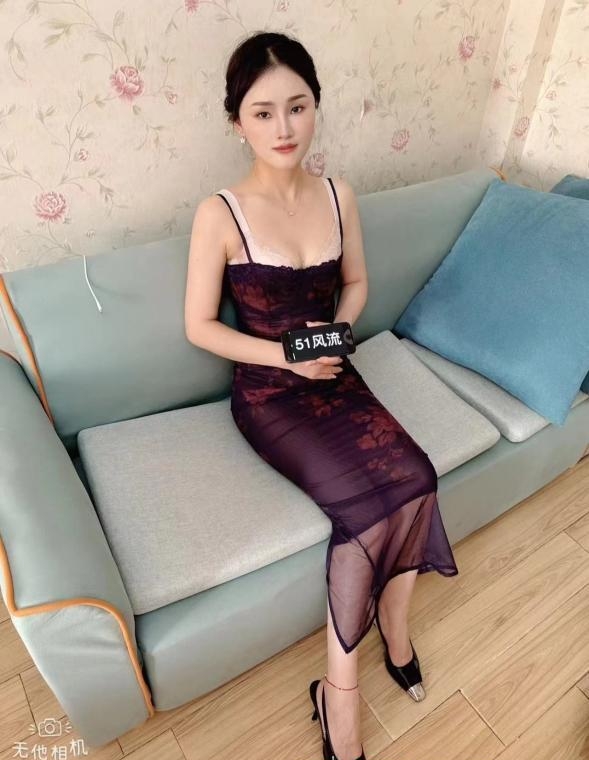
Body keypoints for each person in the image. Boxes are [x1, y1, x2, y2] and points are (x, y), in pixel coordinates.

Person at [184, 30, 459, 760]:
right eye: (263, 112)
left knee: (418, 478)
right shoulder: (220, 213)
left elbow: (357, 283)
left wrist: (333, 334)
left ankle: (394, 627)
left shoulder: (339, 194)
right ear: (237, 123)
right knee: (366, 511)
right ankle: (338, 694)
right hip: (268, 397)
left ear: (315, 108)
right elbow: (199, 326)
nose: (284, 127)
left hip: (334, 373)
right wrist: (285, 355)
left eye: (298, 106)